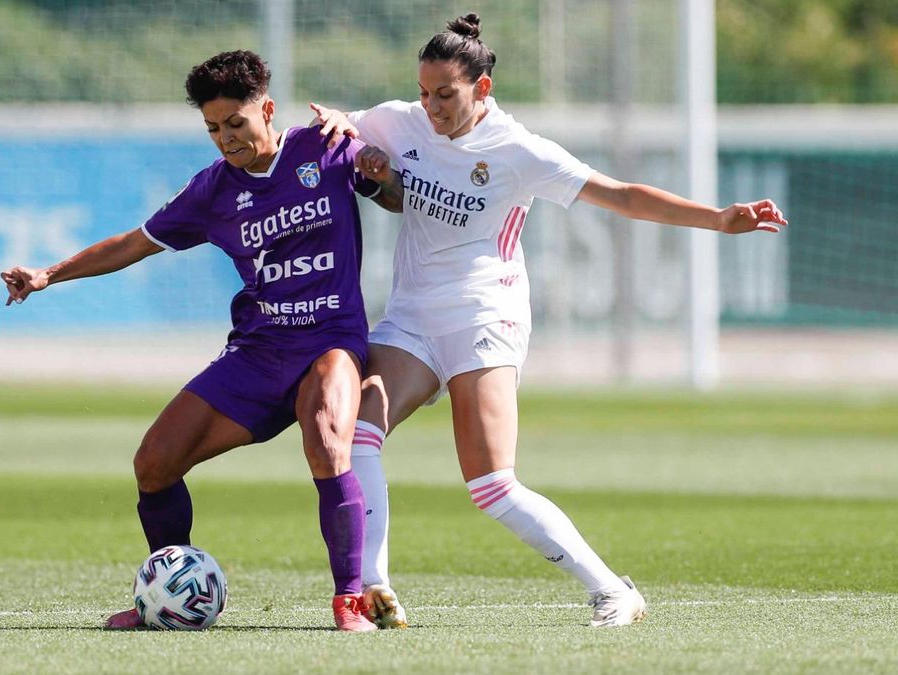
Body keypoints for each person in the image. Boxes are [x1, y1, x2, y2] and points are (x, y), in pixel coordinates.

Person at [312, 13, 788, 628]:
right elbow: (341, 128)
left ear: (482, 89)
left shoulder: (519, 150)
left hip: (486, 314)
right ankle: (376, 586)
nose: (430, 106)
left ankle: (614, 590)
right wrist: (335, 125)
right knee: (358, 433)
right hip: (411, 316)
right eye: (424, 92)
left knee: (490, 486)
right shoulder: (400, 120)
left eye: (445, 95)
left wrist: (720, 219)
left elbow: (620, 194)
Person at [0, 50, 403, 632]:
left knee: (325, 437)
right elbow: (132, 243)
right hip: (259, 352)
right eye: (213, 128)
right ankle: (166, 593)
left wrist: (381, 172)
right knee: (154, 463)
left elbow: (393, 197)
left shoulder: (324, 146)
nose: (225, 139)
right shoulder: (213, 190)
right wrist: (48, 275)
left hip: (330, 342)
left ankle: (349, 600)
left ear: (266, 109)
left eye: (235, 124)